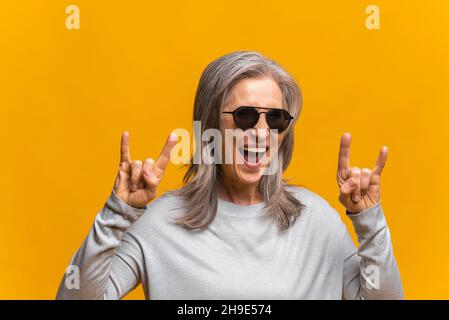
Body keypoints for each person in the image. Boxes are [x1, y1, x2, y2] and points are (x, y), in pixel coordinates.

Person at [56, 51, 403, 299]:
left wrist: (368, 219)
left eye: (276, 119)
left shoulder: (318, 222)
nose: (262, 132)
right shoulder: (161, 223)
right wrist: (118, 214)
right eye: (245, 116)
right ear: (210, 125)